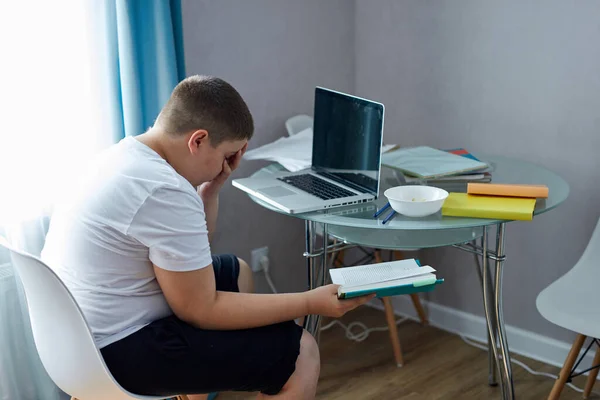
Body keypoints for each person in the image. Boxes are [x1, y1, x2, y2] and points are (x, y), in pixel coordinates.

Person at [41, 75, 373, 399]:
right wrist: (310, 301)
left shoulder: (124, 157)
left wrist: (209, 192)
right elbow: (200, 310)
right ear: (198, 140)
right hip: (115, 351)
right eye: (227, 154)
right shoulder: (164, 188)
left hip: (76, 339)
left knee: (237, 271)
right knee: (301, 353)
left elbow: (190, 254)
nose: (228, 164)